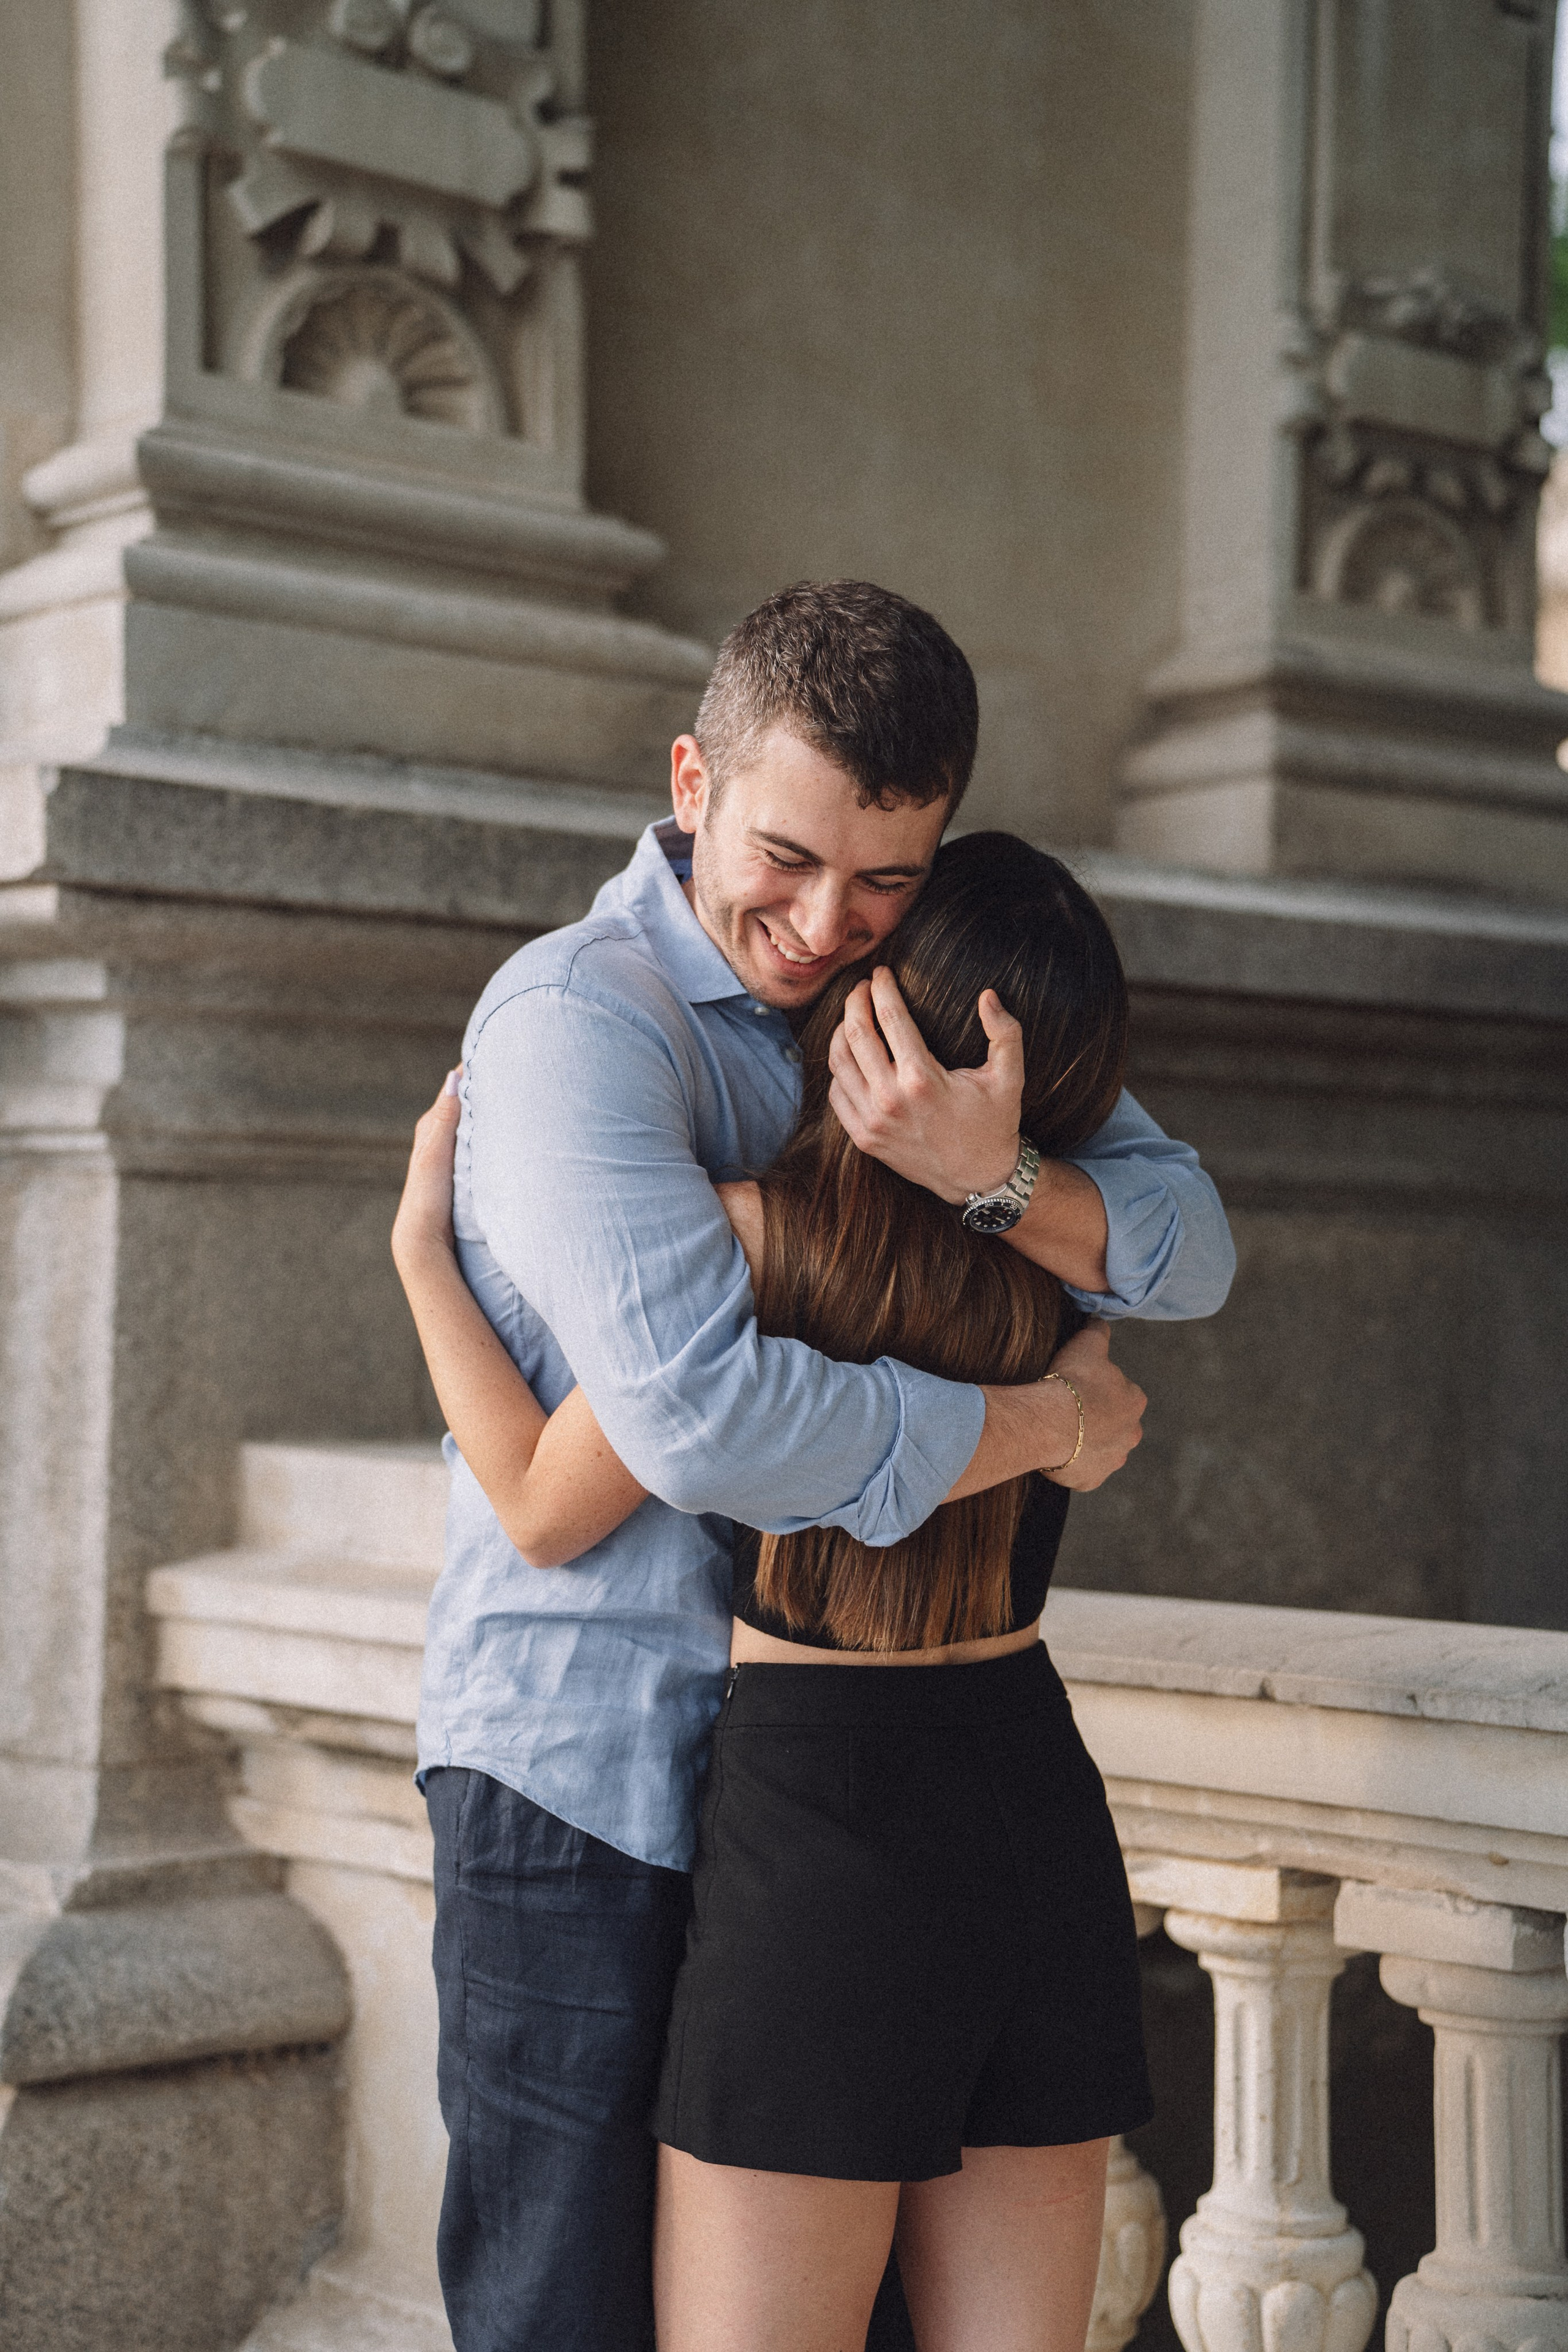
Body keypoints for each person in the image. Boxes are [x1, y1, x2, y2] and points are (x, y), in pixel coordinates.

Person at [409, 580, 1234, 2352]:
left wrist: (986, 1173)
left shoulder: (901, 987)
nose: (822, 925)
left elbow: (1185, 1239)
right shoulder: (579, 1024)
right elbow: (698, 1425)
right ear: (694, 779)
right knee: (566, 2317)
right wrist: (1039, 1428)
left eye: (885, 878)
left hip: (821, 1773)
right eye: (786, 858)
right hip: (588, 1784)